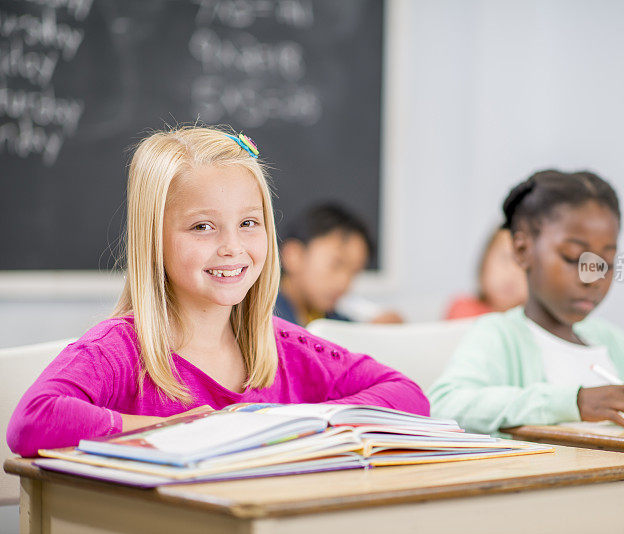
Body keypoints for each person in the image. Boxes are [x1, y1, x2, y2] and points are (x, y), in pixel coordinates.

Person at [7, 126, 428, 457]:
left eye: (249, 223)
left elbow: (407, 395)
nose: (232, 247)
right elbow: (32, 420)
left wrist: (294, 424)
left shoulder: (285, 346)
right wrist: (183, 427)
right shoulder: (118, 350)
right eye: (202, 227)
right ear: (154, 240)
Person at [428, 169, 624, 435]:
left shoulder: (608, 340)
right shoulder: (499, 335)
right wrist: (573, 402)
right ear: (523, 249)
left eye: (606, 263)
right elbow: (446, 403)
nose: (593, 277)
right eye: (573, 257)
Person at [276, 203, 402, 326]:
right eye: (336, 264)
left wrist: (372, 332)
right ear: (293, 255)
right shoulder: (265, 319)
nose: (344, 282)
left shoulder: (331, 319)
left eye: (354, 272)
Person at [445, 227, 527, 319]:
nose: (512, 274)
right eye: (505, 259)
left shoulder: (529, 321)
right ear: (484, 263)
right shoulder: (463, 309)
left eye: (522, 266)